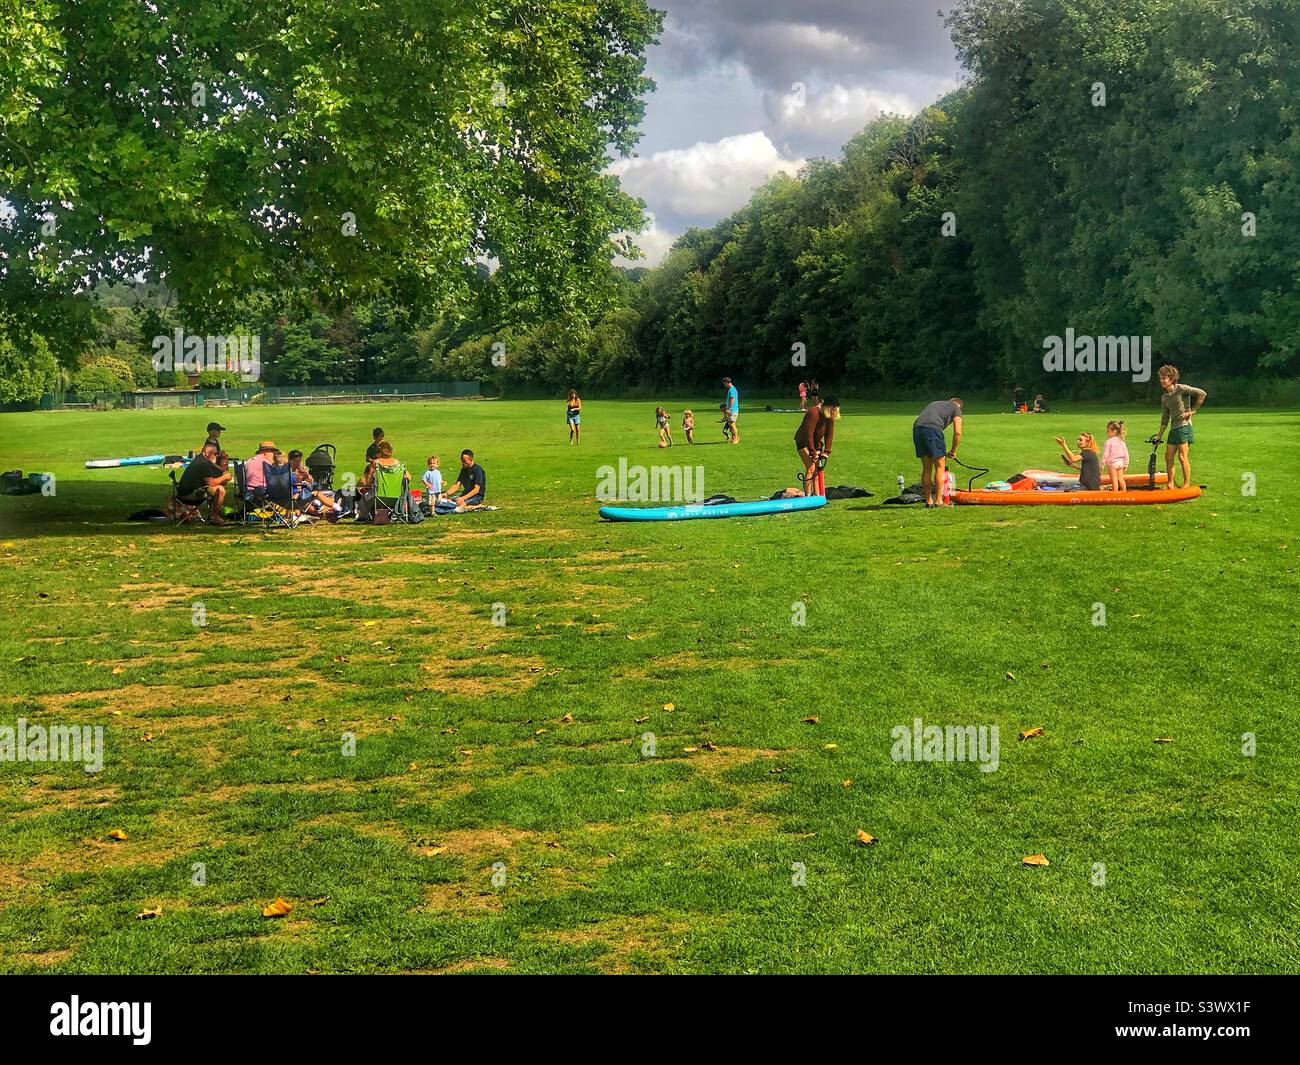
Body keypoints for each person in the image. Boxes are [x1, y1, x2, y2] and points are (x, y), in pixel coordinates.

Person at [1156, 364, 1207, 488]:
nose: (1162, 380)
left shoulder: (1180, 388)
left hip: (1184, 426)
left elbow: (1202, 394)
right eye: (1161, 378)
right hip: (1174, 428)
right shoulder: (1165, 397)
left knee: (1182, 457)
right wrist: (1159, 435)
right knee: (1168, 457)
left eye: (1164, 378)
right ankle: (1170, 484)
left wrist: (1193, 410)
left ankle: (1186, 484)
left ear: (1172, 379)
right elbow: (1165, 418)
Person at [912, 398, 964, 508]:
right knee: (940, 467)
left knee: (926, 468)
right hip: (932, 429)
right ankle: (939, 501)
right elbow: (958, 433)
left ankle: (929, 501)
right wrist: (953, 450)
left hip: (917, 428)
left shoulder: (935, 403)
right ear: (959, 406)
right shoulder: (956, 408)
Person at [172, 440, 231, 524]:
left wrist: (223, 469)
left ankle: (212, 515)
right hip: (189, 496)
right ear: (208, 453)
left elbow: (214, 472)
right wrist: (224, 477)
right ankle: (215, 517)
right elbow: (211, 483)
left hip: (183, 494)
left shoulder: (200, 459)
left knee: (213, 489)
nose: (216, 456)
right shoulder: (204, 464)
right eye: (215, 454)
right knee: (220, 490)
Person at [795, 395, 840, 496]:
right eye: (833, 407)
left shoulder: (830, 416)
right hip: (803, 442)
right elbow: (808, 434)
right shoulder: (813, 412)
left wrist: (826, 451)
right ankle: (807, 496)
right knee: (811, 468)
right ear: (827, 406)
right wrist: (812, 452)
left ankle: (818, 495)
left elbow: (829, 434)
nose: (835, 410)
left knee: (818, 470)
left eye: (836, 408)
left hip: (816, 444)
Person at [356, 439, 408, 521]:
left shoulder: (376, 463)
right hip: (396, 497)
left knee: (365, 496)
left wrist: (369, 475)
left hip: (379, 497)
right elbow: (408, 477)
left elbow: (368, 483)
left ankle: (363, 517)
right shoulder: (398, 464)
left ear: (379, 453)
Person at [1100, 420, 1129, 491]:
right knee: (1121, 479)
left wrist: (1102, 463)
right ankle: (1124, 492)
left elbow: (1106, 454)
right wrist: (1126, 464)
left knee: (1114, 481)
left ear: (1114, 432)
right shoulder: (1122, 441)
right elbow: (1126, 454)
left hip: (1112, 464)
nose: (1107, 433)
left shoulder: (1108, 442)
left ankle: (1115, 494)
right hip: (1120, 463)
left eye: (1108, 431)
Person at [722, 377, 740, 443]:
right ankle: (734, 438)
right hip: (731, 410)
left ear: (726, 382)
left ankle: (736, 439)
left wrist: (729, 409)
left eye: (724, 383)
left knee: (732, 425)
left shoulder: (732, 389)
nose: (724, 385)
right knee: (730, 425)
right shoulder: (731, 389)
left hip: (733, 410)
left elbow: (732, 399)